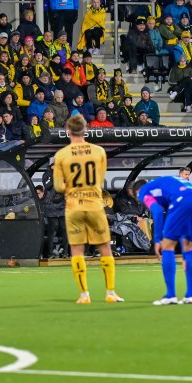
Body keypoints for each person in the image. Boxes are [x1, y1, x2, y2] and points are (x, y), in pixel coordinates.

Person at [53, 115, 122, 304]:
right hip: (94, 205)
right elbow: (100, 180)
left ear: (68, 131)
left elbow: (59, 186)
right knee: (105, 247)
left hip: (73, 206)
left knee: (77, 249)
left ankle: (84, 295)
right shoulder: (98, 151)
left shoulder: (61, 155)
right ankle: (110, 292)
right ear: (85, 130)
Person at [136, 174, 192, 305]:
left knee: (167, 246)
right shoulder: (164, 181)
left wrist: (157, 239)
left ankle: (171, 295)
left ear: (136, 192)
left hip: (183, 200)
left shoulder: (143, 191)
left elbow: (157, 211)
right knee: (189, 247)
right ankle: (190, 295)